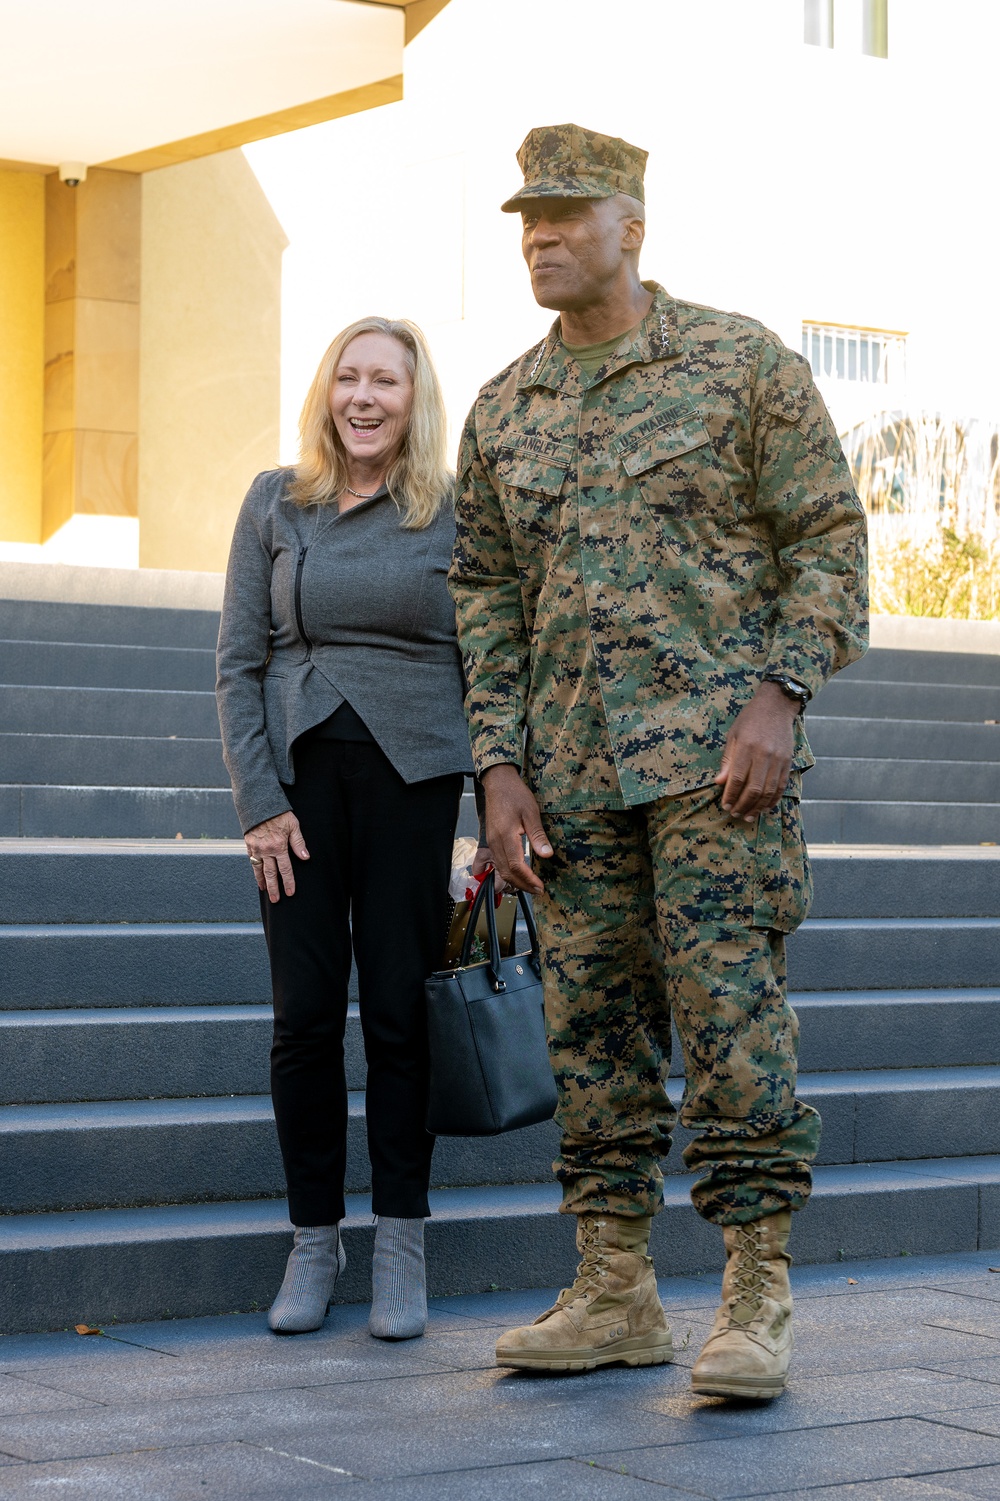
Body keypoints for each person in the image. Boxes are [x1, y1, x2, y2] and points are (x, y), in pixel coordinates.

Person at [449, 125, 868, 1398]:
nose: (541, 234)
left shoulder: (740, 367)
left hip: (715, 775)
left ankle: (753, 1297)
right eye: (528, 215)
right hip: (567, 785)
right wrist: (499, 767)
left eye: (569, 213)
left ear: (632, 227)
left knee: (733, 1023)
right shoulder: (504, 410)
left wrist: (779, 694)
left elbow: (831, 543)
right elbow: (483, 593)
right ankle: (615, 1288)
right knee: (591, 1031)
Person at [217, 316, 490, 1340]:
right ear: (327, 391)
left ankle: (403, 1239)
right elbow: (239, 661)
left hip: (412, 782)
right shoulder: (273, 502)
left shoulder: (453, 513)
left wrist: (492, 798)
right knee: (301, 1018)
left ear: (415, 402)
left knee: (396, 1015)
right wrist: (259, 804)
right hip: (294, 794)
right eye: (350, 377)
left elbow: (487, 659)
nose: (366, 396)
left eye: (387, 380)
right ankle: (313, 1239)